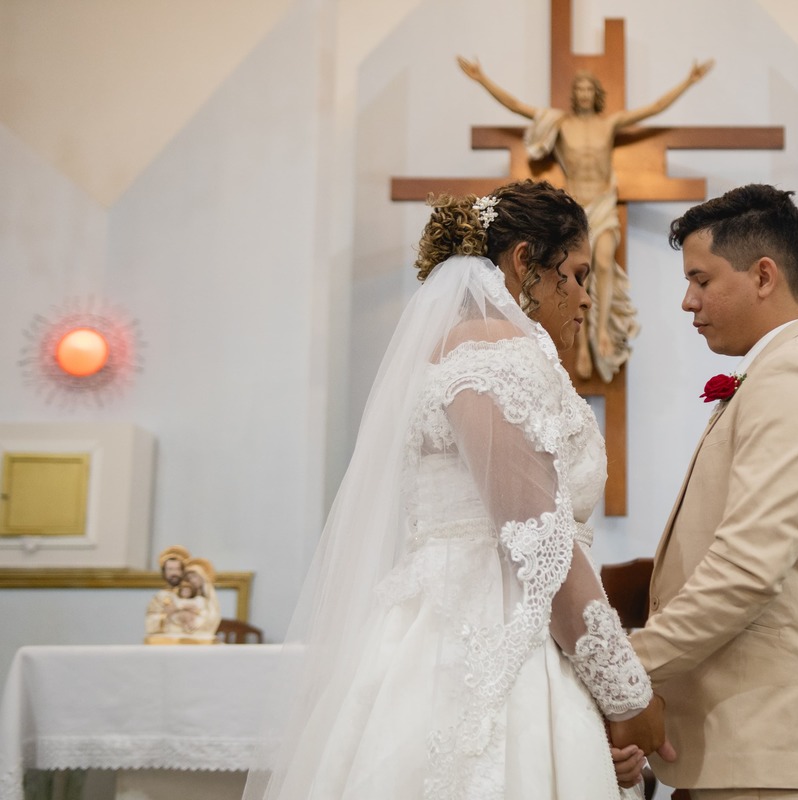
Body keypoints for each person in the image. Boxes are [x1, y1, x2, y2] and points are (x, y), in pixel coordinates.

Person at [242, 180, 670, 800]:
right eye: (577, 275)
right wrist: (628, 694)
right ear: (524, 262)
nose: (585, 298)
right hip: (487, 640)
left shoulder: (473, 351)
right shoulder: (494, 353)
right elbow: (540, 544)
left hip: (488, 633)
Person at [626, 185, 798, 800]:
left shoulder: (796, 379)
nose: (688, 300)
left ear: (763, 276)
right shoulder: (775, 374)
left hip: (766, 744)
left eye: (701, 279)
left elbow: (746, 571)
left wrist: (625, 664)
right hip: (740, 742)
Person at [457, 57, 713, 382]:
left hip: (603, 205)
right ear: (574, 94)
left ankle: (601, 332)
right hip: (576, 210)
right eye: (578, 89)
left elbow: (653, 109)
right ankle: (582, 348)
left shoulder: (609, 124)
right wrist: (482, 78)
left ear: (596, 94)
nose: (583, 94)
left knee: (602, 264)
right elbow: (517, 106)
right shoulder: (561, 124)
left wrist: (688, 81)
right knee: (574, 278)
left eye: (588, 89)